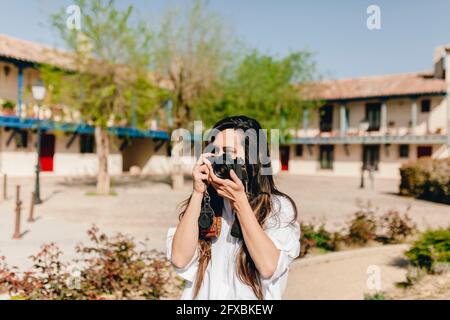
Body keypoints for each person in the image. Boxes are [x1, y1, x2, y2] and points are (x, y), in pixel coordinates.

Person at [166, 116, 301, 300]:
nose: (221, 159)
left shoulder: (277, 207)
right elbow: (180, 259)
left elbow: (269, 267)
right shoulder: (205, 203)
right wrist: (198, 193)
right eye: (215, 151)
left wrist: (240, 203)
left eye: (229, 152)